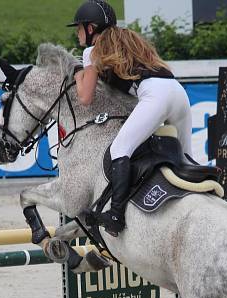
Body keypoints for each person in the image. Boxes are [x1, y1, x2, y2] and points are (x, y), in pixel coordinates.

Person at [70, 0, 193, 236]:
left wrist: (78, 72)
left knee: (119, 149)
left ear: (91, 28)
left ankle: (115, 216)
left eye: (79, 28)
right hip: (177, 92)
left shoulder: (91, 51)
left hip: (153, 95)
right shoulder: (129, 39)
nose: (77, 33)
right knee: (186, 158)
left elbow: (85, 97)